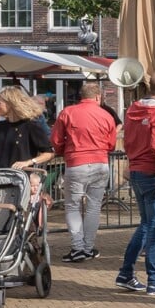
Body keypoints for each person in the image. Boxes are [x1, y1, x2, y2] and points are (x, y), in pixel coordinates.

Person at [114, 71, 155, 296]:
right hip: (153, 173)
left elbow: (129, 140)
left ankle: (126, 274)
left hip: (137, 171)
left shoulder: (133, 109)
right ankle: (154, 280)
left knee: (145, 224)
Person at [50, 82, 117, 263]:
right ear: (98, 97)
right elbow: (112, 144)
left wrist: (66, 151)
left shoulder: (67, 112)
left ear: (82, 96)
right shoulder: (106, 115)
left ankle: (78, 248)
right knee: (94, 207)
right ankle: (88, 247)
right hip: (100, 163)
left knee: (73, 206)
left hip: (76, 163)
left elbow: (56, 140)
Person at [0, 86, 54, 171]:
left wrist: (29, 162)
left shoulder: (31, 126)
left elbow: (49, 153)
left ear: (10, 104)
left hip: (20, 177)